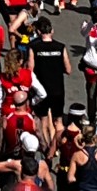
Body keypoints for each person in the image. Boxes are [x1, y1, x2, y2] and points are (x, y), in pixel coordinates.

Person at [27, 16, 71, 149]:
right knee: (58, 121)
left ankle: (47, 148)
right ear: (52, 30)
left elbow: (30, 70)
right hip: (58, 89)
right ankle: (58, 147)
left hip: (42, 90)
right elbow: (68, 69)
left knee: (43, 120)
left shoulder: (33, 47)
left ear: (38, 32)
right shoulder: (60, 47)